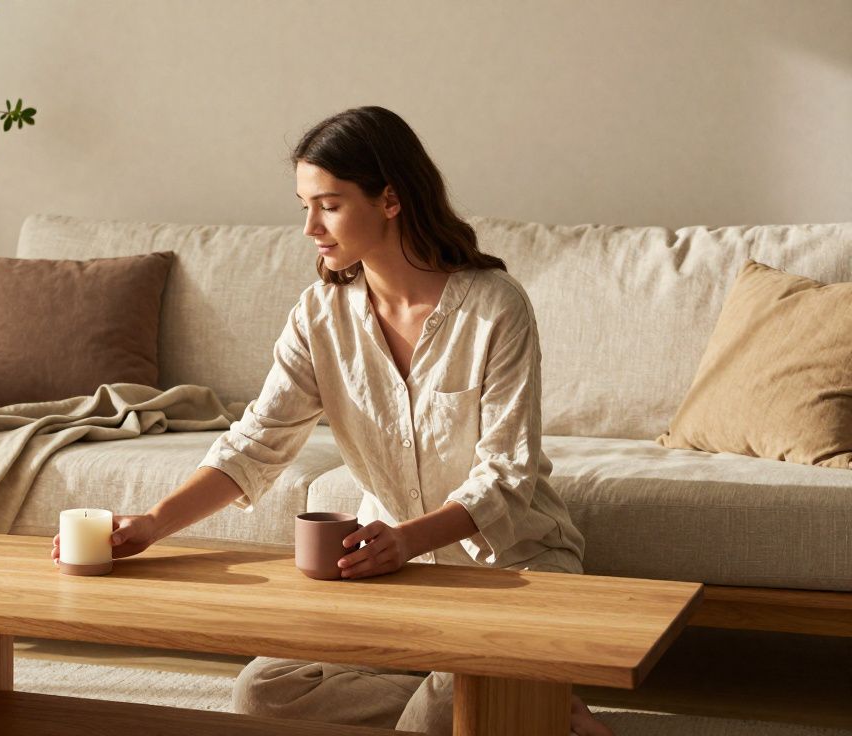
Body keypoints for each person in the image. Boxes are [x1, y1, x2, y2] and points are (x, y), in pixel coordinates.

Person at [52, 105, 615, 736]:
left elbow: (507, 474)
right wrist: (152, 524)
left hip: (511, 569)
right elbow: (257, 442)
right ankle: (533, 710)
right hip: (393, 578)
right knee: (267, 692)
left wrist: (406, 538)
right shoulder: (320, 315)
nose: (310, 227)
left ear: (391, 199)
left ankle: (492, 699)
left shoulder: (494, 307)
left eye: (330, 204)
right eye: (304, 206)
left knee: (438, 714)